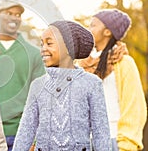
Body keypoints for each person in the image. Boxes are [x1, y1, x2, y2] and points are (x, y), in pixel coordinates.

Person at [13, 20, 111, 150]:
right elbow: (25, 131)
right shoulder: (37, 85)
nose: (43, 49)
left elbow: (101, 133)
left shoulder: (91, 84)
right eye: (42, 44)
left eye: (49, 43)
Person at [0, 0, 45, 150]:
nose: (14, 18)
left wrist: (35, 137)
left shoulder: (34, 54)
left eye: (18, 14)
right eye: (9, 13)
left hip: (22, 133)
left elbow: (41, 97)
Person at [77, 9, 147, 151]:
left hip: (112, 141)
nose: (88, 29)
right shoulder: (81, 64)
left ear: (107, 32)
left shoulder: (124, 63)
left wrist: (126, 146)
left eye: (93, 25)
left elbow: (134, 108)